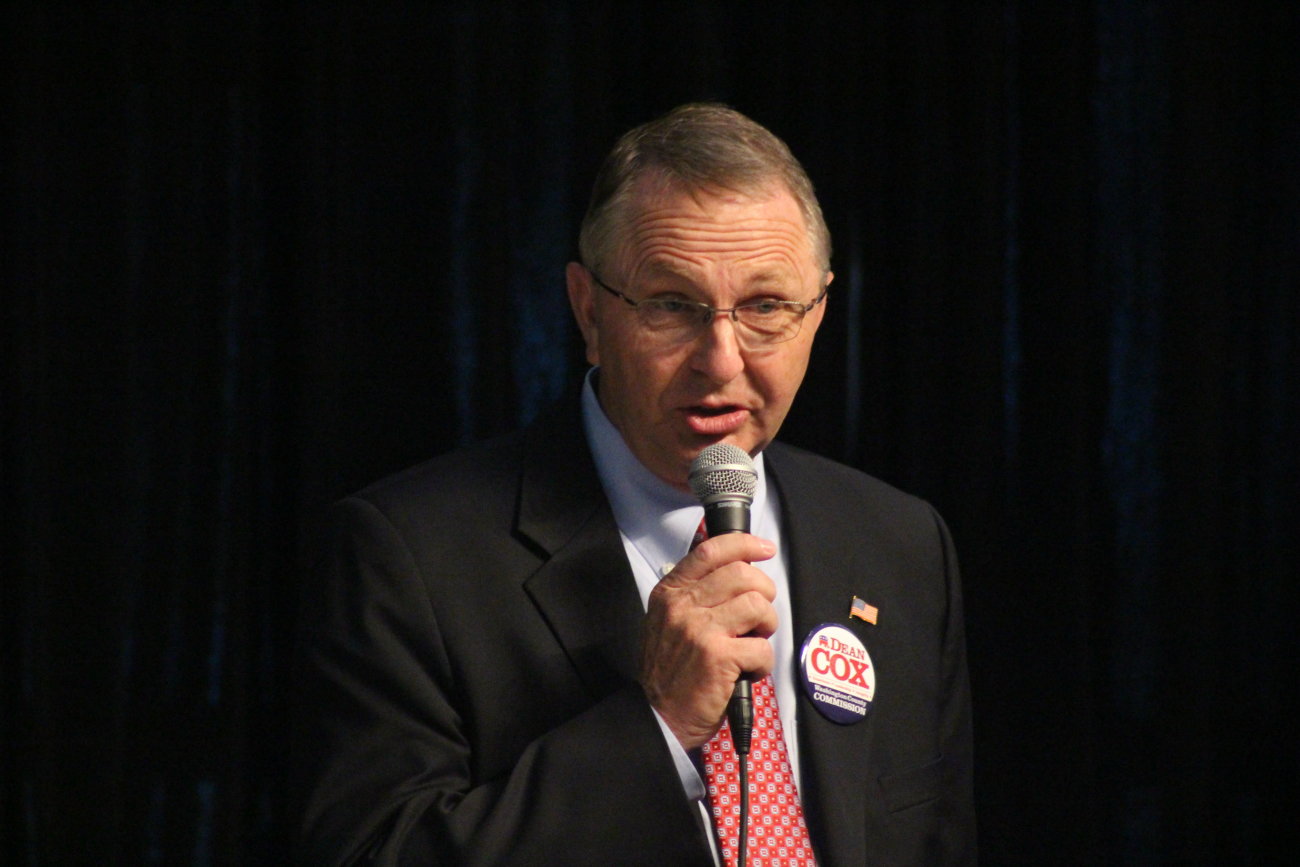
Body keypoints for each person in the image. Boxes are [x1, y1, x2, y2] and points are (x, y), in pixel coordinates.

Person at [291, 103, 975, 865]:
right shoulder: (406, 555)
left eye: (766, 307)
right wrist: (656, 724)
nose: (721, 360)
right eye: (673, 305)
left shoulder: (900, 542)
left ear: (818, 311)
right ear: (589, 310)